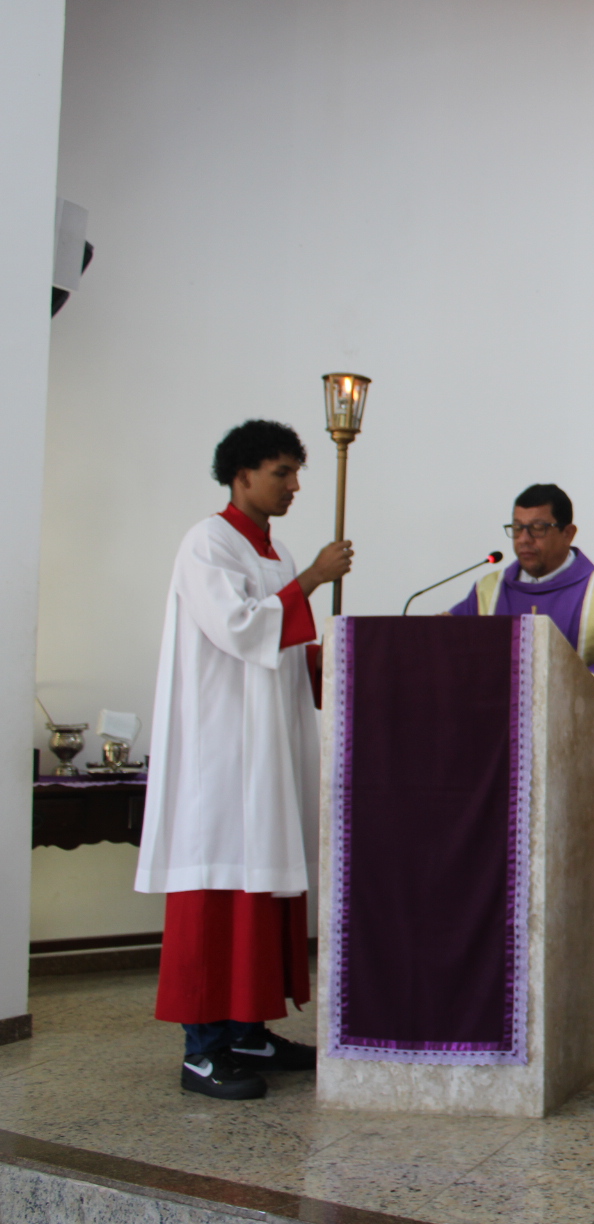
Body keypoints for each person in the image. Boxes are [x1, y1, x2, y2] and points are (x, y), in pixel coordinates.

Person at [135, 420, 352, 1100]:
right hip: (222, 750)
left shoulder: (275, 551)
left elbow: (280, 650)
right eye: (282, 472)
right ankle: (202, 1050)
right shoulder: (208, 543)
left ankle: (248, 1029)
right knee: (219, 892)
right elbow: (239, 628)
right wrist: (314, 579)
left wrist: (342, 662)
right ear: (242, 475)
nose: (294, 486)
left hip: (267, 748)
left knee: (263, 885)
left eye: (296, 473)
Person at [447, 484, 594, 919]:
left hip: (577, 759)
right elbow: (456, 656)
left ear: (568, 532)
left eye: (538, 528)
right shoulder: (489, 590)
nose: (524, 540)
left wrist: (559, 695)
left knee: (574, 873)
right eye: (517, 528)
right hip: (499, 758)